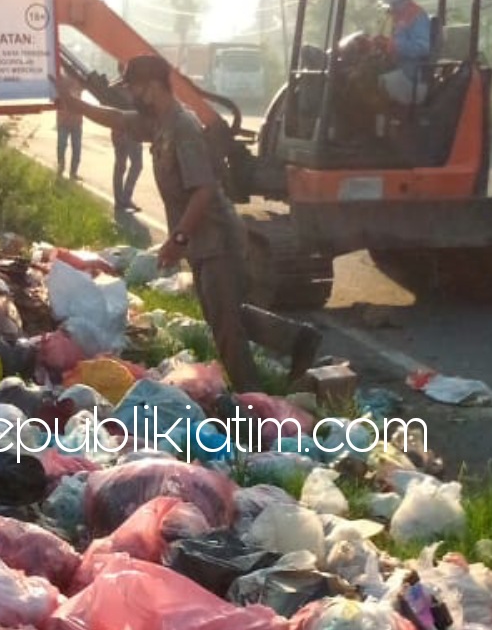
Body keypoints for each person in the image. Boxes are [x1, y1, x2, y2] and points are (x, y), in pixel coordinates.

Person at [58, 55, 320, 394]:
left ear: (152, 87)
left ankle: (251, 403)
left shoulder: (182, 126)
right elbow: (118, 118)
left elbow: (205, 190)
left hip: (216, 238)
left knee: (225, 324)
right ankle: (298, 339)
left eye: (134, 88)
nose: (132, 96)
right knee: (222, 313)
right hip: (201, 240)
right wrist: (75, 104)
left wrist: (177, 239)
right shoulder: (159, 121)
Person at [372, 0, 432, 105]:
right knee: (344, 72)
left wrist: (391, 45)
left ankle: (374, 125)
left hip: (408, 75)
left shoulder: (417, 14)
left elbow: (422, 48)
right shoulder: (387, 14)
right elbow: (382, 41)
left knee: (362, 79)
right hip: (387, 66)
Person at [107, 66, 144, 209]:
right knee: (122, 165)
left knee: (135, 165)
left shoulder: (132, 86)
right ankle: (121, 200)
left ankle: (124, 198)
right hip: (122, 131)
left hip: (134, 132)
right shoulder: (116, 88)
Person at [55, 72, 84, 178]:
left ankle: (73, 173)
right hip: (63, 121)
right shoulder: (60, 81)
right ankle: (61, 168)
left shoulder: (79, 81)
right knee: (62, 146)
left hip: (76, 122)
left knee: (77, 148)